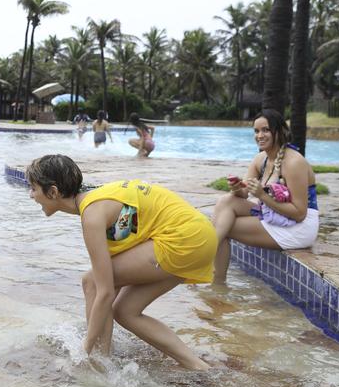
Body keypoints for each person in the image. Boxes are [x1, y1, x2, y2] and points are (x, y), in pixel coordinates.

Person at [26, 154, 215, 370]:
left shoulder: (92, 215)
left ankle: (98, 362)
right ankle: (198, 366)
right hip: (199, 236)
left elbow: (104, 291)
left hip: (185, 238)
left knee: (93, 282)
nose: (30, 195)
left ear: (53, 192)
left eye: (33, 188)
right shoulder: (97, 200)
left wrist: (83, 349)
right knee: (125, 311)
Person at [212, 109, 319, 283]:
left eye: (265, 130)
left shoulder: (294, 162)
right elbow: (243, 194)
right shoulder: (260, 159)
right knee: (226, 201)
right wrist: (237, 187)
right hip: (274, 214)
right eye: (256, 131)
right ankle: (214, 276)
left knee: (225, 227)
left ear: (280, 132)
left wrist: (262, 195)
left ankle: (214, 276)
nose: (259, 135)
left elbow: (300, 213)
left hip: (298, 228)